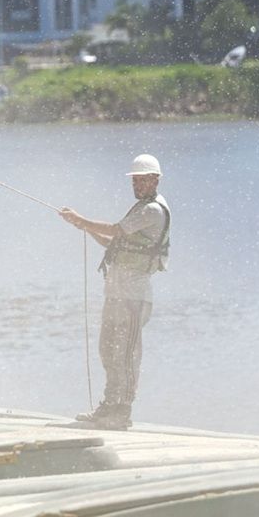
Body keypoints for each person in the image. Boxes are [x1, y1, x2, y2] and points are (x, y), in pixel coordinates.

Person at [60, 154, 170, 430]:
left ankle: (122, 411)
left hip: (134, 298)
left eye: (143, 179)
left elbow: (114, 229)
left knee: (126, 354)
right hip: (117, 295)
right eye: (135, 180)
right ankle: (108, 406)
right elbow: (114, 240)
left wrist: (82, 220)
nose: (138, 184)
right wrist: (81, 226)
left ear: (155, 180)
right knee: (108, 351)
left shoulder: (152, 210)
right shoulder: (139, 207)